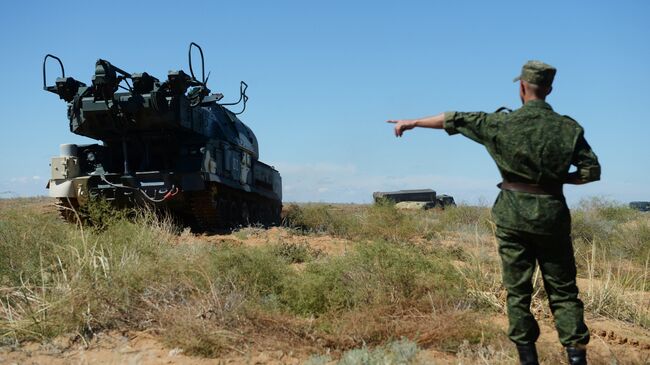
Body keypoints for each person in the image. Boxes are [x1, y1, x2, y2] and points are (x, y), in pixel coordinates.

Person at [387, 60, 600, 365]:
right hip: (552, 217)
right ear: (549, 89)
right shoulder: (568, 128)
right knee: (564, 293)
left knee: (518, 293)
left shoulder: (500, 124)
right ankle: (577, 358)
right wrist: (555, 178)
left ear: (522, 88)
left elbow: (455, 119)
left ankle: (528, 359)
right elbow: (591, 171)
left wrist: (413, 122)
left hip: (512, 217)